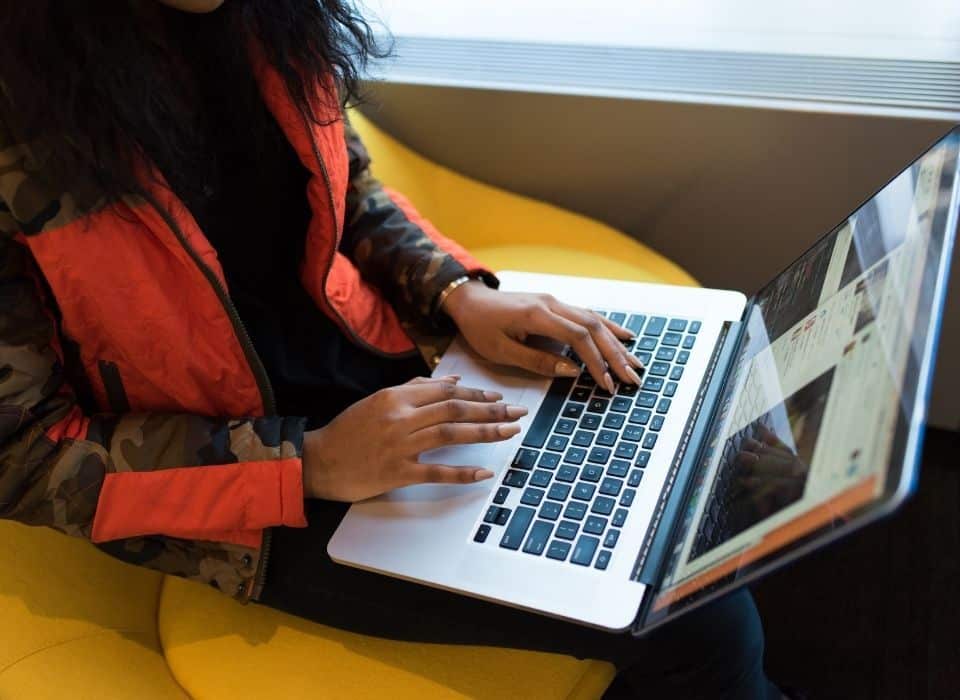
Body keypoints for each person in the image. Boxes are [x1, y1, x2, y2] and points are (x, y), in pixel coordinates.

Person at [0, 1, 780, 697]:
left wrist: (458, 293)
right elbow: (21, 454)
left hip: (382, 361)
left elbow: (347, 192)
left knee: (704, 457)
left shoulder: (276, 19)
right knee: (696, 616)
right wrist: (309, 461)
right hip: (243, 489)